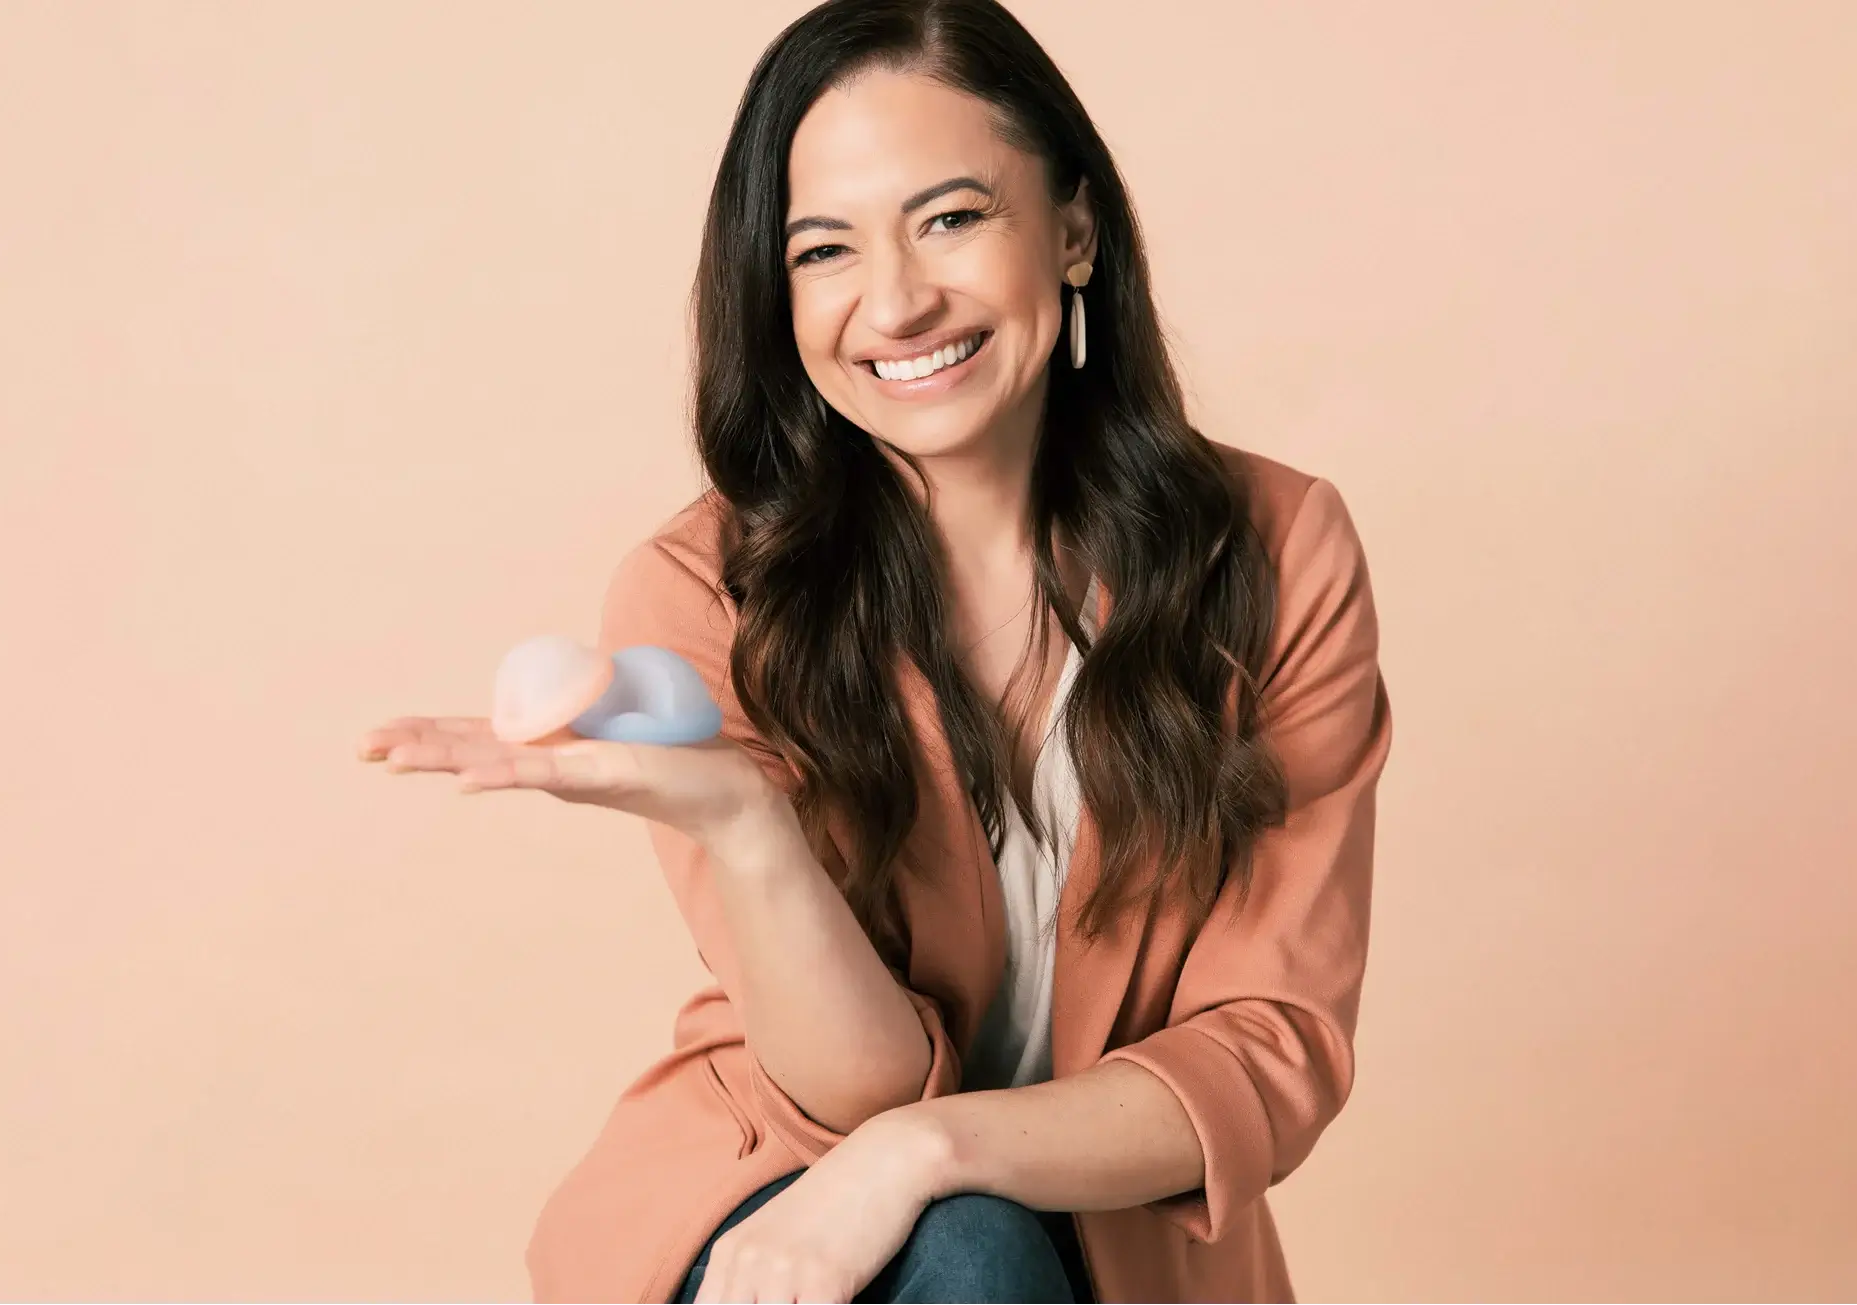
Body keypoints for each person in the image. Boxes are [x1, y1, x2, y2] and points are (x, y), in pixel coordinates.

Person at [360, 1, 1392, 1300]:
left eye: (952, 218)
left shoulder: (1275, 550)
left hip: (1105, 1247)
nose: (897, 302)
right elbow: (855, 1091)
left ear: (1074, 230)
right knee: (971, 1247)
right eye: (823, 249)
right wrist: (744, 824)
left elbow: (1273, 1052)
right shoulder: (701, 596)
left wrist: (927, 1150)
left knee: (971, 1227)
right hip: (779, 1207)